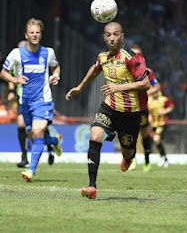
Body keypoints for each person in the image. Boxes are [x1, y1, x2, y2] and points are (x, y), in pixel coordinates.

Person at [66, 22, 150, 199]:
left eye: (116, 34)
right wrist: (80, 87)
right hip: (109, 108)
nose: (112, 38)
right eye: (108, 35)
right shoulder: (103, 57)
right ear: (104, 37)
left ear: (122, 36)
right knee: (95, 135)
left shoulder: (131, 58)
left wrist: (119, 88)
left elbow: (145, 83)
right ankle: (92, 186)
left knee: (128, 151)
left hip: (130, 114)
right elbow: (96, 69)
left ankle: (128, 158)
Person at [0, 18, 63, 182]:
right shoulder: (16, 53)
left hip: (43, 100)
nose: (34, 35)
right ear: (26, 35)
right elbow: (3, 72)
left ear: (41, 35)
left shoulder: (48, 52)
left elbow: (56, 66)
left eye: (37, 32)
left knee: (37, 132)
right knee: (33, 136)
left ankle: (31, 170)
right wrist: (15, 80)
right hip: (25, 102)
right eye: (31, 33)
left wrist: (56, 75)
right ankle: (55, 140)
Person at [7, 40, 55, 167]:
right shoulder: (16, 60)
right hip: (22, 99)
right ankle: (24, 156)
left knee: (37, 129)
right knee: (22, 125)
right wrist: (11, 91)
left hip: (38, 100)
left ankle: (51, 146)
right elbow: (11, 76)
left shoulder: (39, 58)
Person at [128, 44, 161, 172]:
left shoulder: (148, 71)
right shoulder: (126, 70)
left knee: (144, 133)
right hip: (129, 106)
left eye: (138, 54)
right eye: (133, 54)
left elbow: (157, 87)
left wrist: (147, 93)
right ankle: (132, 160)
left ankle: (147, 160)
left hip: (142, 107)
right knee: (131, 133)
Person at [148, 91, 174, 168]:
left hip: (162, 123)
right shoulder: (149, 100)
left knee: (156, 139)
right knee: (157, 142)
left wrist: (165, 111)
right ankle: (164, 158)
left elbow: (171, 106)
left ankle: (163, 158)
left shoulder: (163, 99)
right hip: (153, 124)